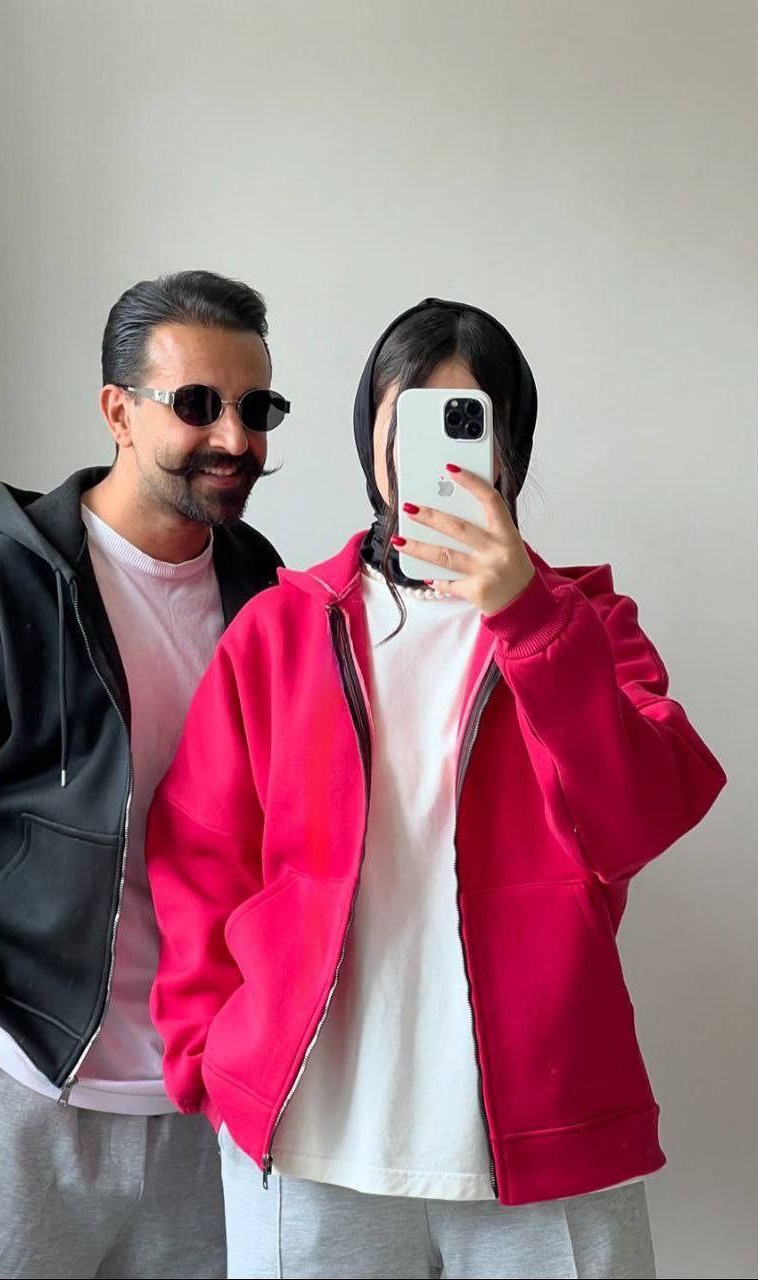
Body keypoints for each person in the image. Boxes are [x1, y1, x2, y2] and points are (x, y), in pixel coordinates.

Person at [145, 297, 727, 1279]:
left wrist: (531, 620)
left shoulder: (586, 625)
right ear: (369, 437)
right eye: (410, 418)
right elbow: (200, 854)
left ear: (511, 447)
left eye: (469, 421)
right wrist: (208, 1056)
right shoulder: (281, 631)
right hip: (310, 1137)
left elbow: (640, 815)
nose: (440, 453)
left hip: (546, 1138)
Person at [0, 269, 288, 1279]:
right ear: (117, 412)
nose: (234, 436)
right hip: (21, 1081)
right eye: (197, 403)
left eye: (256, 407)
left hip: (199, 1095)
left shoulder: (263, 587)